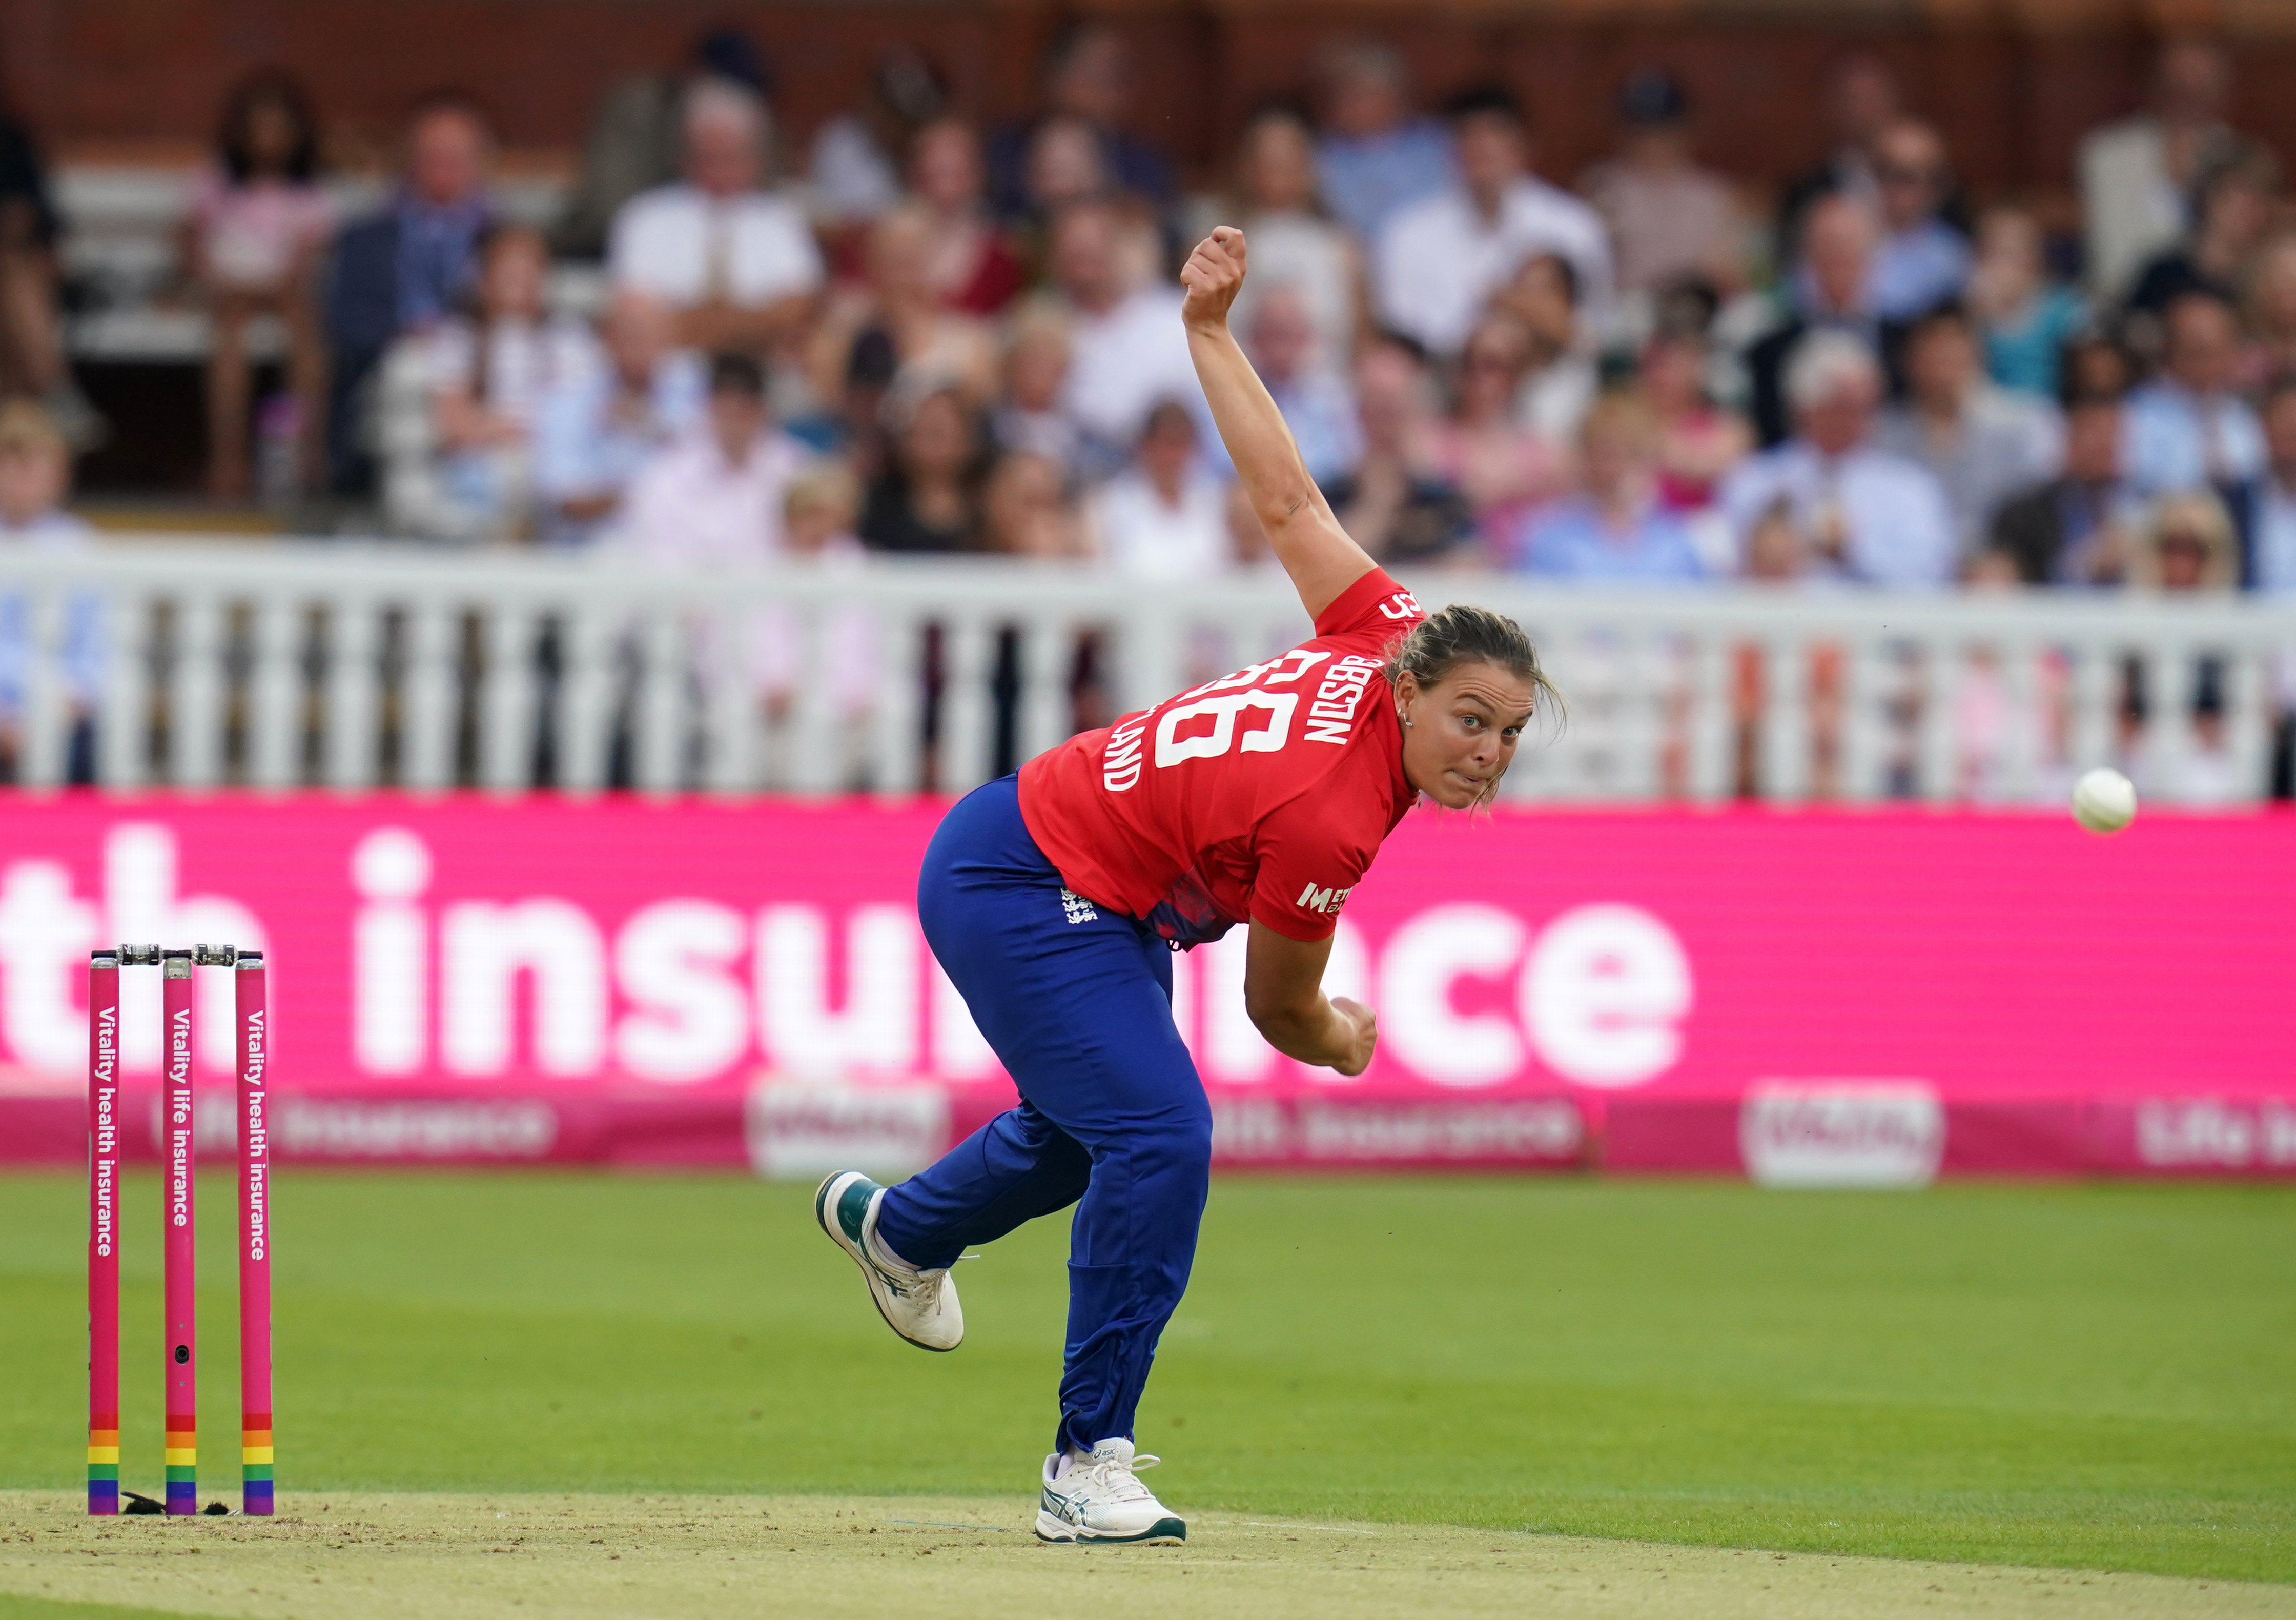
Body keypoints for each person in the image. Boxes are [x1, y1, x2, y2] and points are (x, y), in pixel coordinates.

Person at [811, 224, 1553, 1547]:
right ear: (1411, 688)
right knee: (1161, 1132)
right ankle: (1085, 1461)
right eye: (1470, 721)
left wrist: (1211, 333)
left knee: (1089, 1122)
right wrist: (1342, 1038)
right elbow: (1280, 1009)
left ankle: (901, 1228)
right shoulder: (1334, 815)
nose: (1488, 754)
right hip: (1022, 873)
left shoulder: (1389, 625)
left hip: (1085, 869)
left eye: (1508, 732)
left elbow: (1288, 506)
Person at [376, 224, 596, 544]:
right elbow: (453, 424)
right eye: (509, 272)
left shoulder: (570, 339)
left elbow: (580, 420)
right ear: (482, 278)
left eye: (531, 271)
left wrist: (502, 427)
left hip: (552, 471)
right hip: (478, 474)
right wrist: (527, 429)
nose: (520, 283)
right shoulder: (458, 339)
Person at [323, 92, 497, 495]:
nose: (444, 170)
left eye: (457, 158)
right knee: (411, 369)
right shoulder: (367, 238)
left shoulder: (503, 241)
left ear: (481, 164)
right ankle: (408, 504)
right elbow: (347, 322)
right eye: (432, 157)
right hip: (387, 383)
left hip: (478, 384)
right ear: (410, 163)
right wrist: (411, 338)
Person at [1371, 85, 1611, 359]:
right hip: (1442, 382)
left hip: (1554, 381)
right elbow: (1399, 333)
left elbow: (1596, 327)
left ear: (1524, 146)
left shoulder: (1573, 226)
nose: (1483, 150)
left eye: (1496, 137)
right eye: (1470, 138)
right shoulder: (1407, 231)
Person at [188, 71, 333, 501]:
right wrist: (209, 275)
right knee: (230, 332)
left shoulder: (307, 192)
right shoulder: (216, 182)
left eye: (278, 129)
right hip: (226, 293)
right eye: (258, 129)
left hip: (284, 294)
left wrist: (277, 283)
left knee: (305, 329)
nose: (267, 140)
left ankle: (309, 452)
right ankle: (228, 460)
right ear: (240, 133)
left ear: (296, 135)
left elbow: (306, 261)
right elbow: (191, 240)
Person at [1719, 330, 1955, 587]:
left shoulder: (1909, 488)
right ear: (1803, 408)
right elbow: (1721, 566)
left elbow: (1931, 578)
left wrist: (1854, 550)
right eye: (1841, 406)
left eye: (1865, 406)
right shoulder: (1754, 480)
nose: (1858, 419)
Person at [608, 78, 824, 355]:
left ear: (756, 159)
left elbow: (799, 307)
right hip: (670, 365)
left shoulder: (781, 219)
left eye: (731, 158)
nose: (720, 171)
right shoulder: (645, 217)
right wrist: (750, 322)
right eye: (709, 158)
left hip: (763, 366)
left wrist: (702, 322)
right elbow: (635, 311)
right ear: (686, 157)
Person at [552, 27, 771, 260]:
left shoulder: (749, 118)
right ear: (698, 74)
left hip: (708, 253)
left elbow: (761, 192)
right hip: (605, 247)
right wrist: (671, 228)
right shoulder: (636, 109)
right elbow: (611, 208)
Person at [1873, 302, 2060, 558]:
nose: (1943, 366)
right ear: (1910, 360)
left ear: (1976, 357)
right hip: (1909, 575)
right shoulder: (1883, 434)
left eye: (1953, 353)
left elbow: (2038, 510)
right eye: (1933, 353)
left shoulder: (2021, 425)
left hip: (2001, 570)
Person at [531, 290, 707, 548]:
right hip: (588, 555)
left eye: (653, 334)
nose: (643, 345)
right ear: (607, 339)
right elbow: (568, 499)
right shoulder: (568, 400)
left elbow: (716, 484)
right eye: (632, 334)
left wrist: (647, 424)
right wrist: (653, 495)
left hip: (679, 552)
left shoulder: (696, 394)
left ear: (671, 340)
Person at [1045, 201, 1205, 476]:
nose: (1084, 258)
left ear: (1119, 248)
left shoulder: (1175, 319)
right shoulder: (1045, 326)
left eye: (1093, 247)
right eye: (1074, 250)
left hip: (1168, 476)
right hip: (1075, 476)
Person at [2080, 37, 2238, 303]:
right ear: (2155, 88)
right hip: (2126, 304)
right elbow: (2110, 263)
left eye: (2200, 88)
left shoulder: (2236, 157)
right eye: (2177, 86)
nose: (2188, 97)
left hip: (2216, 309)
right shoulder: (2108, 155)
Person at [616, 351, 807, 565]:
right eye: (726, 412)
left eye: (743, 412)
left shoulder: (797, 472)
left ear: (762, 410)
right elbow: (652, 551)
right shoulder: (664, 475)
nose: (734, 425)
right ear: (709, 408)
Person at [1578, 69, 1742, 299]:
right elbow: (1588, 265)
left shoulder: (1713, 194)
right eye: (1642, 132)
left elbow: (1730, 274)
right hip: (1625, 309)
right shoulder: (1603, 185)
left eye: (1663, 131)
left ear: (1686, 130)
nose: (1652, 143)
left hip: (1694, 310)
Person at [1217, 105, 1361, 368]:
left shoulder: (1341, 249)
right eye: (1268, 163)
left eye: (1289, 163)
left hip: (1324, 391)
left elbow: (1360, 343)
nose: (1278, 176)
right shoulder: (1218, 246)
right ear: (1247, 169)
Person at [0, 402, 100, 782]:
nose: (19, 479)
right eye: (10, 463)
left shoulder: (80, 546)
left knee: (81, 747)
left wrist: (51, 715)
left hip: (59, 712)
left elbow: (93, 658)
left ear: (59, 478)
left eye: (32, 467)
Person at [1747, 193, 1896, 448]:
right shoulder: (1768, 352)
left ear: (1872, 256)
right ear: (1807, 257)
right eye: (1828, 247)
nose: (1839, 258)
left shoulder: (1905, 345)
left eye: (1850, 247)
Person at [988, 22, 1174, 223]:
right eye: (1095, 73)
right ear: (1054, 75)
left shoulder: (1143, 164)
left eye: (1116, 76)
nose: (1108, 89)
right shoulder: (1006, 151)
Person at [1514, 393, 1706, 582]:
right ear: (1587, 458)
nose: (1618, 468)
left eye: (1633, 453)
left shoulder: (1676, 544)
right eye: (1607, 454)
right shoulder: (1551, 541)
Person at [1321, 335, 1473, 565]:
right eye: (1377, 407)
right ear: (1359, 412)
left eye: (1394, 407)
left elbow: (1473, 567)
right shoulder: (1329, 497)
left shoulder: (1442, 499)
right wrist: (1377, 507)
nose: (1385, 421)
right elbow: (1327, 567)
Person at [1426, 310, 1567, 535]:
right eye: (1469, 362)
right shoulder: (1429, 439)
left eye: (1493, 365)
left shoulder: (1545, 449)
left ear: (1516, 373)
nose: (1478, 376)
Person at [1311, 38, 1455, 245]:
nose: (1343, 105)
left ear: (1392, 96)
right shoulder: (1323, 153)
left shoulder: (1435, 145)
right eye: (1339, 95)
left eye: (1358, 95)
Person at [2121, 289, 2264, 497]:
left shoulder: (2243, 413)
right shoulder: (2137, 414)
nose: (2211, 362)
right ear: (2170, 351)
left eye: (2221, 349)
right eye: (2198, 350)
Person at [1988, 392, 2140, 586]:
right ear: (2067, 441)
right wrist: (2082, 566)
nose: (2105, 445)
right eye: (2094, 435)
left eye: (2113, 435)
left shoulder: (2142, 510)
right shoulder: (2022, 516)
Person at [2126, 146, 2277, 319]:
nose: (2250, 211)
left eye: (2259, 201)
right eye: (2237, 197)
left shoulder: (2267, 286)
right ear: (2209, 198)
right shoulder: (2164, 275)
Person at [1086, 399, 1229, 580]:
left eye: (1182, 444)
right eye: (1168, 444)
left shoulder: (1215, 503)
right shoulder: (1111, 504)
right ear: (1145, 446)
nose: (1174, 456)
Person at [806, 47, 949, 229]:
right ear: (874, 103)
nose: (902, 126)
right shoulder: (842, 145)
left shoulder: (935, 143)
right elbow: (851, 224)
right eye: (894, 114)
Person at [907, 117, 1027, 316]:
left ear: (977, 175)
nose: (946, 187)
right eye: (936, 173)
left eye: (956, 173)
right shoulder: (889, 245)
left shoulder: (1003, 251)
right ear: (916, 175)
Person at [1241, 284, 1359, 485]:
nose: (1282, 348)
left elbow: (1347, 462)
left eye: (1290, 334)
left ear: (1307, 338)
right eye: (1274, 334)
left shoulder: (1332, 400)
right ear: (1253, 338)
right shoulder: (1234, 397)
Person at [1966, 204, 2086, 400]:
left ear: (2036, 257)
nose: (2006, 264)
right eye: (1997, 252)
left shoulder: (2063, 306)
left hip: (2051, 410)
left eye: (2015, 252)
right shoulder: (1972, 308)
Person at [1862, 119, 1971, 322]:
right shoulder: (1839, 238)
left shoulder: (1953, 254)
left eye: (1934, 179)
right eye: (1905, 176)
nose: (1922, 189)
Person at [858, 383, 981, 554]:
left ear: (966, 439)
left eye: (937, 433)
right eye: (915, 432)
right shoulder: (873, 507)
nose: (924, 444)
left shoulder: (988, 506)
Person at [1638, 329, 1751, 511]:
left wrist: (1654, 448)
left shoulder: (1725, 426)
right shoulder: (1632, 423)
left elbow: (1718, 466)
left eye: (1669, 367)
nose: (1659, 377)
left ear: (1695, 371)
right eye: (1651, 367)